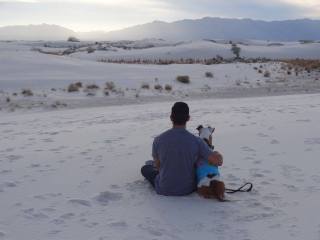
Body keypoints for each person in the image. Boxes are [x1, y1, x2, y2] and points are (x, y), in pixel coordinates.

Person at [141, 102, 223, 196]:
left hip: (164, 188)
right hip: (187, 188)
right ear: (188, 118)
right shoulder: (196, 141)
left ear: (171, 117)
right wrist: (218, 154)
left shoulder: (158, 140)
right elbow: (218, 161)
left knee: (145, 168)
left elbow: (159, 166)